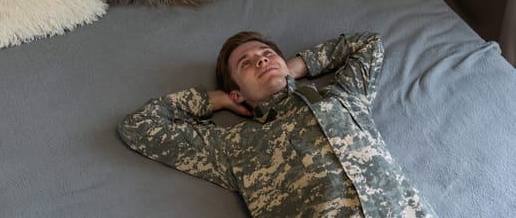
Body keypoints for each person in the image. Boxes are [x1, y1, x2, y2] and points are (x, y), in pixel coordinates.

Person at [118, 31, 436, 218]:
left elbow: (367, 43)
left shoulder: (343, 96)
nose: (260, 60)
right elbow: (140, 126)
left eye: (267, 54)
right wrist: (216, 100)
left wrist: (297, 66)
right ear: (237, 91)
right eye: (247, 63)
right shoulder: (234, 145)